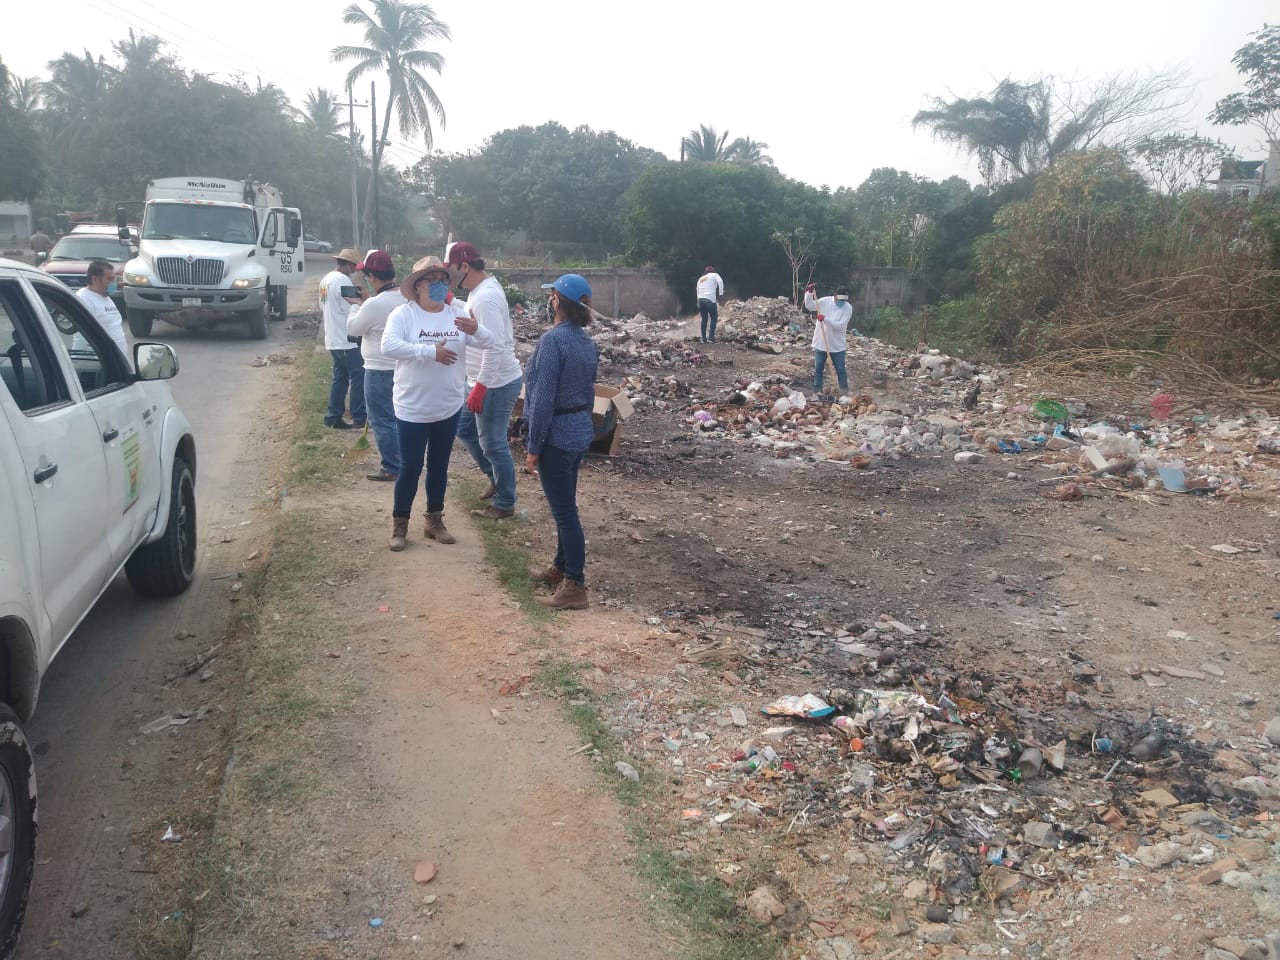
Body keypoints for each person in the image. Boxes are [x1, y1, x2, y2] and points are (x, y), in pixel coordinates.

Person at [381, 256, 495, 552]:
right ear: (418, 285)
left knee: (439, 467)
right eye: (433, 281)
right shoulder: (404, 315)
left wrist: (476, 330)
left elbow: (489, 342)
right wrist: (429, 352)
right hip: (412, 407)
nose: (439, 286)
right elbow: (389, 346)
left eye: (443, 281)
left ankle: (434, 520)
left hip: (448, 405)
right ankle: (400, 524)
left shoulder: (456, 313)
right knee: (410, 467)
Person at [524, 274, 600, 610]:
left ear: (556, 299)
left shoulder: (553, 341)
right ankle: (560, 567)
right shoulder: (586, 342)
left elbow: (542, 399)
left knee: (565, 512)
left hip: (557, 435)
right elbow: (588, 391)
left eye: (551, 296)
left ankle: (576, 584)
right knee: (566, 505)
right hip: (579, 431)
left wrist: (533, 445)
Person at [444, 241, 524, 521]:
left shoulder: (486, 297)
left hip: (495, 382)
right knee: (465, 430)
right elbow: (477, 320)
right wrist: (453, 302)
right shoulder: (481, 291)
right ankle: (496, 478)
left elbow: (497, 345)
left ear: (464, 267)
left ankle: (505, 502)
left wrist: (481, 386)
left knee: (493, 443)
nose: (448, 277)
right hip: (482, 379)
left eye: (450, 270)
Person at [347, 249, 404, 481]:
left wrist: (355, 305)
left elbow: (353, 329)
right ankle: (404, 461)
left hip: (378, 370)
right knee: (400, 418)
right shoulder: (405, 298)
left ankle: (391, 466)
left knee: (381, 419)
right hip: (402, 368)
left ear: (372, 276)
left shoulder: (373, 305)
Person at [319, 248, 367, 429]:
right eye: (354, 266)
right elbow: (354, 307)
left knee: (340, 377)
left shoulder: (326, 280)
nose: (355, 270)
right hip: (347, 339)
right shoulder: (343, 281)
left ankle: (333, 416)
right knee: (358, 376)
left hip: (332, 337)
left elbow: (322, 305)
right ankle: (359, 416)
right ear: (348, 264)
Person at [803, 282, 853, 396]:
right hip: (822, 342)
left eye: (844, 300)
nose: (842, 302)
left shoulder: (848, 308)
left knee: (840, 369)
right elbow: (810, 306)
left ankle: (844, 392)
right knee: (818, 368)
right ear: (834, 295)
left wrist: (825, 319)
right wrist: (809, 293)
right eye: (840, 299)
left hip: (837, 345)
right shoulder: (825, 301)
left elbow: (840, 326)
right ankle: (817, 391)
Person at [76, 259, 129, 363]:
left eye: (114, 279)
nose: (113, 283)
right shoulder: (84, 299)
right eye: (110, 279)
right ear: (95, 279)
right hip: (100, 363)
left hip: (117, 361)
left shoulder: (105, 296)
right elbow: (84, 336)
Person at [696, 265, 724, 343]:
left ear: (705, 271)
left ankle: (703, 339)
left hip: (701, 299)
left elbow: (697, 290)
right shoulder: (715, 275)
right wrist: (721, 294)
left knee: (704, 318)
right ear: (713, 271)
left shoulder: (701, 278)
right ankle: (711, 338)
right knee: (714, 318)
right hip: (710, 299)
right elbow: (720, 282)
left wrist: (698, 300)